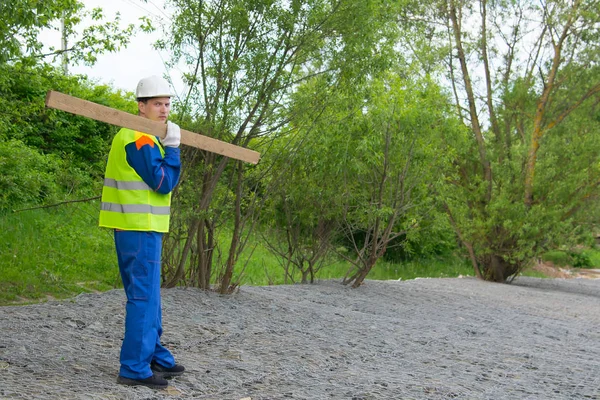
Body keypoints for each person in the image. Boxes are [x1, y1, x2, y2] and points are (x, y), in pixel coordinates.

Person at [99, 75, 185, 389]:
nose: (164, 110)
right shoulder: (139, 136)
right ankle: (134, 367)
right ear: (141, 106)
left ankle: (154, 354)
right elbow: (163, 182)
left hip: (142, 227)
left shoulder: (145, 134)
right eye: (157, 104)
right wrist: (173, 150)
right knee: (143, 297)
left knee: (151, 297)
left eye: (167, 103)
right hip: (138, 228)